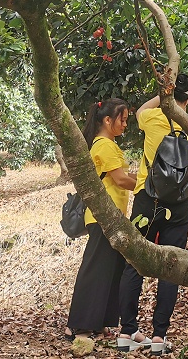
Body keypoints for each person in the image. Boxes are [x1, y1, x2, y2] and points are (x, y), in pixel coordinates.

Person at [117, 74, 188, 354]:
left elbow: (141, 109)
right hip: (179, 204)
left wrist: (162, 94)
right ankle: (158, 337)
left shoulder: (152, 119)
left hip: (147, 199)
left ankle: (127, 332)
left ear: (168, 96)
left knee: (134, 262)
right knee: (170, 265)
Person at [65, 98, 136, 341]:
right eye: (122, 119)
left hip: (112, 217)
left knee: (110, 270)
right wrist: (149, 185)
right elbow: (121, 180)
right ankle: (79, 325)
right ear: (107, 120)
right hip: (101, 218)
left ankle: (100, 323)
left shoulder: (109, 145)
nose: (125, 124)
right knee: (95, 270)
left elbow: (123, 176)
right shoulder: (104, 145)